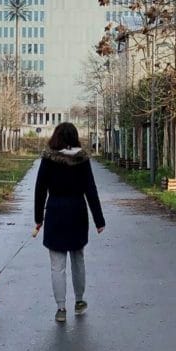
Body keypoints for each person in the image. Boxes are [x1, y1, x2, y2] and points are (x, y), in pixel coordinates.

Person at [33, 121, 105, 323]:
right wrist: (99, 220)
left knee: (57, 265)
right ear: (74, 137)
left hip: (55, 211)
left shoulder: (48, 159)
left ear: (55, 137)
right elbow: (90, 189)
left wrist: (38, 219)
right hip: (77, 212)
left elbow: (40, 190)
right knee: (78, 258)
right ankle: (80, 301)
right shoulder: (82, 159)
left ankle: (61, 308)